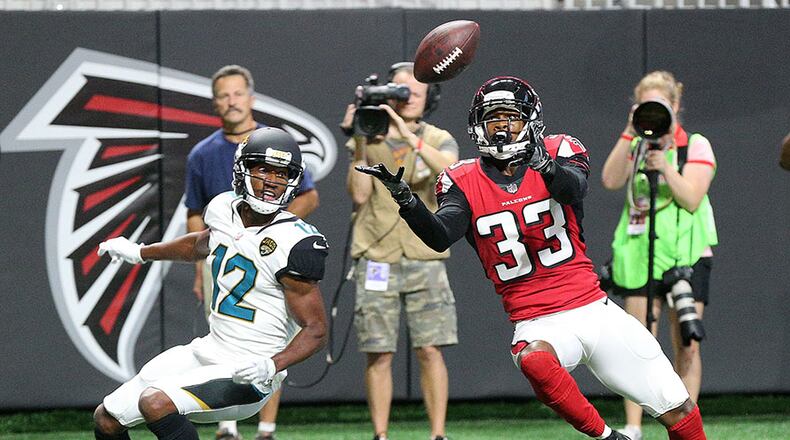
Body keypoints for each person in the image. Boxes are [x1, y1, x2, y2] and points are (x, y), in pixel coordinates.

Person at [358, 76, 707, 440]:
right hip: (536, 318)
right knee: (534, 358)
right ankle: (606, 436)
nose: (502, 128)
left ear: (531, 121)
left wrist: (545, 165)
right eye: (494, 119)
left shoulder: (560, 150)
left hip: (592, 308)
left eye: (512, 117)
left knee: (680, 411)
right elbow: (440, 235)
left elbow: (574, 189)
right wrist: (408, 202)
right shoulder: (462, 178)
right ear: (479, 124)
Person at [93, 127, 328, 440]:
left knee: (156, 402)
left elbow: (316, 329)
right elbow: (200, 244)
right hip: (209, 350)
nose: (272, 181)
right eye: (263, 170)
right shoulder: (223, 208)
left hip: (250, 372)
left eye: (282, 174)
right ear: (242, 170)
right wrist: (139, 252)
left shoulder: (295, 241)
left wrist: (272, 365)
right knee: (107, 418)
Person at [184, 65, 320, 440]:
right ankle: (227, 426)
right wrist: (200, 268)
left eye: (237, 93)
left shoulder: (274, 143)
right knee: (224, 341)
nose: (232, 101)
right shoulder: (202, 154)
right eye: (224, 95)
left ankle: (266, 428)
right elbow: (194, 212)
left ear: (251, 97)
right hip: (223, 259)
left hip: (270, 261)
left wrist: (270, 232)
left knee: (270, 344)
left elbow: (309, 195)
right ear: (215, 103)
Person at [341, 62, 459, 440]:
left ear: (429, 99)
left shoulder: (439, 137)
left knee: (430, 350)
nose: (405, 100)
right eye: (399, 92)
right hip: (377, 256)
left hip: (424, 257)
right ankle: (380, 434)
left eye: (414, 93)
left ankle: (438, 434)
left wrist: (411, 140)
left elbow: (451, 172)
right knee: (379, 352)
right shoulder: (370, 136)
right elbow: (358, 195)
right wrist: (359, 136)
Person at [601, 71, 717, 440]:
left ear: (676, 105)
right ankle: (634, 426)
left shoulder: (694, 146)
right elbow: (609, 179)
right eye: (645, 107)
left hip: (686, 254)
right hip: (639, 252)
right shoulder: (635, 144)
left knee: (687, 343)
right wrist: (629, 130)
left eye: (659, 107)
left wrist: (665, 164)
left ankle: (687, 421)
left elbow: (692, 197)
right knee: (638, 341)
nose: (653, 115)